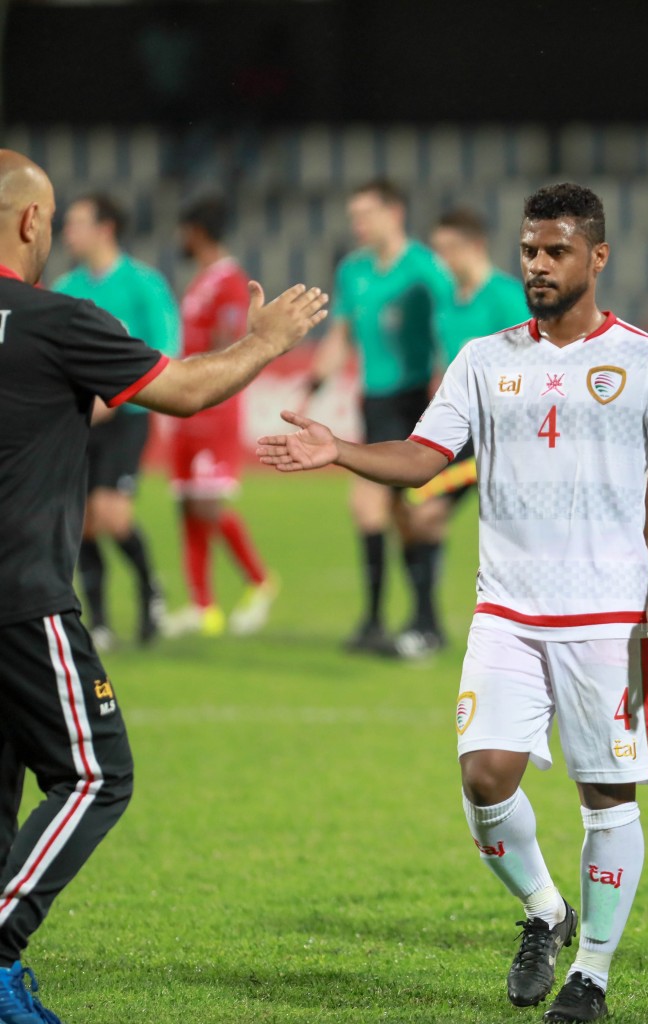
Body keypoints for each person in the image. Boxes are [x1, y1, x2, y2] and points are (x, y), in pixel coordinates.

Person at [256, 183, 648, 1023]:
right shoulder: (484, 358)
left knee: (607, 797)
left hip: (608, 619)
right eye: (530, 251)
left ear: (597, 258)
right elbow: (425, 457)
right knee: (484, 780)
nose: (538, 265)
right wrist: (340, 449)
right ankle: (546, 911)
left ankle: (594, 975)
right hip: (506, 612)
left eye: (557, 251)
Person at [0, 148, 327, 1024]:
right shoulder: (54, 318)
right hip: (20, 598)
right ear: (31, 222)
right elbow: (180, 390)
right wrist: (265, 343)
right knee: (96, 774)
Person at [308, 179, 452, 655]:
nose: (357, 224)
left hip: (415, 402)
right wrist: (316, 379)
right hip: (374, 402)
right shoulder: (353, 270)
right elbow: (342, 333)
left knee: (396, 510)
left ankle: (406, 619)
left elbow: (448, 331)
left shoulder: (426, 269)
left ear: (395, 213)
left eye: (365, 214)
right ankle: (404, 620)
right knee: (387, 510)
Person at [393, 208, 532, 658]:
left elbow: (535, 362)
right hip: (461, 433)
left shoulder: (507, 297)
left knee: (426, 511)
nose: (440, 258)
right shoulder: (449, 303)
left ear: (474, 247)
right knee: (414, 512)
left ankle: (431, 626)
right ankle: (426, 624)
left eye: (447, 248)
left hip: (503, 439)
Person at [52, 193, 181, 651]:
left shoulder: (144, 284)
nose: (67, 232)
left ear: (105, 229)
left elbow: (166, 350)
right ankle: (100, 619)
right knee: (83, 519)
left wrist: (115, 394)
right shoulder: (66, 287)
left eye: (76, 223)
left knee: (113, 514)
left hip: (127, 416)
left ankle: (150, 592)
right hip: (82, 418)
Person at [161, 197, 278, 639]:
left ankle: (260, 581)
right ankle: (202, 605)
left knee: (208, 503)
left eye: (183, 230)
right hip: (188, 405)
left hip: (213, 407)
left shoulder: (229, 281)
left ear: (196, 231)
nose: (179, 239)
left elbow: (231, 343)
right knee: (188, 504)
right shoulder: (201, 281)